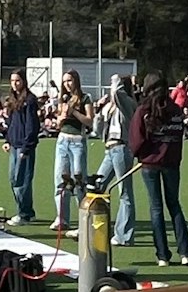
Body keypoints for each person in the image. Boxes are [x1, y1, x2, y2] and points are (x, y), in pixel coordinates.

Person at [131, 73, 188, 267]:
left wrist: (141, 155)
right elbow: (178, 137)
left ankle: (162, 256)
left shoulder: (143, 110)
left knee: (156, 208)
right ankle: (186, 252)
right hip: (172, 164)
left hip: (150, 165)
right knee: (174, 205)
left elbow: (136, 139)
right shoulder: (175, 110)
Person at [95, 74, 139, 247]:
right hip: (110, 149)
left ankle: (125, 235)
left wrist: (115, 80)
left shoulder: (128, 102)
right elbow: (98, 130)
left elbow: (118, 94)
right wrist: (99, 112)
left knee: (125, 192)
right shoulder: (111, 107)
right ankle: (95, 227)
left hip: (122, 148)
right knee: (96, 186)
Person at [51, 70, 93, 232]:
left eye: (69, 80)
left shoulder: (85, 98)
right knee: (60, 180)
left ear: (76, 81)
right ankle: (62, 219)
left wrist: (74, 111)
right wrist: (60, 119)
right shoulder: (63, 99)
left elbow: (89, 121)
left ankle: (84, 217)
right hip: (63, 140)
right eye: (65, 81)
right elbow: (59, 123)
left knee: (79, 180)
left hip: (77, 141)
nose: (67, 84)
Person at [2, 69, 40, 227]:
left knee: (21, 180)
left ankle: (23, 213)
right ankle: (27, 211)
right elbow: (11, 123)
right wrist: (7, 140)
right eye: (12, 81)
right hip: (14, 144)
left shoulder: (30, 100)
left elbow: (32, 125)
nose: (14, 84)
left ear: (23, 81)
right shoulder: (12, 99)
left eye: (17, 80)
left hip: (25, 146)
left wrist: (27, 146)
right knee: (13, 178)